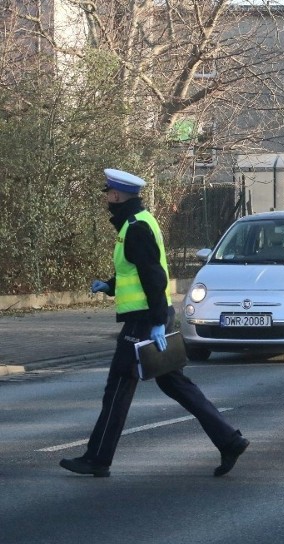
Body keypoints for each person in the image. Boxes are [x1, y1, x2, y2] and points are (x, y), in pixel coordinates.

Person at [60, 169, 249, 478]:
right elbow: (136, 271)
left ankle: (97, 458)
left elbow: (154, 275)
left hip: (144, 321)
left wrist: (159, 321)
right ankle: (229, 440)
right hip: (150, 317)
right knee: (175, 384)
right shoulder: (138, 223)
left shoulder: (135, 228)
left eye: (108, 193)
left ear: (118, 196)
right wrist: (110, 285)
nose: (106, 197)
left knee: (118, 388)